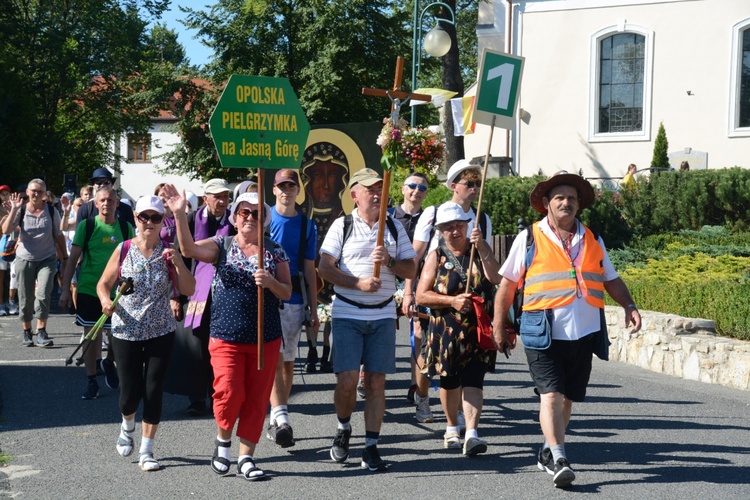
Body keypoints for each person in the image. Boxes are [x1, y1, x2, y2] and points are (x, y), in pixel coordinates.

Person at [492, 171, 642, 489]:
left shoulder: (592, 238)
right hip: (541, 331)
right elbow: (507, 284)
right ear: (547, 204)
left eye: (572, 198)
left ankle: (549, 448)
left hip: (583, 332)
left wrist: (629, 305)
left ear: (578, 206)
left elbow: (610, 278)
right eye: (559, 197)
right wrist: (498, 325)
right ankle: (559, 457)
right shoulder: (530, 238)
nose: (566, 202)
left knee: (568, 400)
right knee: (551, 394)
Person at [165, 185, 292, 481]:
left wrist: (271, 282)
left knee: (257, 399)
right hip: (226, 336)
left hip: (265, 338)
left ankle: (246, 457)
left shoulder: (275, 251)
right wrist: (179, 215)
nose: (250, 217)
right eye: (244, 212)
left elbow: (287, 292)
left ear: (265, 220)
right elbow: (188, 250)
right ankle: (223, 442)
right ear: (234, 218)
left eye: (257, 213)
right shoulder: (222, 245)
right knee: (228, 392)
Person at [318, 168, 417, 472]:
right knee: (347, 382)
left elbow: (411, 269)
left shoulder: (394, 228)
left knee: (376, 383)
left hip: (383, 315)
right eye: (369, 189)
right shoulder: (342, 225)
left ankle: (371, 446)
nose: (376, 194)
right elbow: (324, 268)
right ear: (354, 195)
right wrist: (357, 283)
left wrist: (388, 260)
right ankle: (343, 427)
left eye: (380, 189)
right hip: (347, 312)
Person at [97, 195, 194, 472]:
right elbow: (104, 284)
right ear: (136, 219)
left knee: (153, 391)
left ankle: (147, 451)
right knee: (130, 393)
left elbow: (188, 288)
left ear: (162, 221)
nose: (149, 223)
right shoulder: (124, 248)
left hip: (160, 331)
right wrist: (105, 300)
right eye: (144, 217)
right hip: (126, 330)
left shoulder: (169, 251)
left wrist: (178, 263)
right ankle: (127, 425)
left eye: (155, 217)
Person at [408, 159, 498, 425]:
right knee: (428, 352)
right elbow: (416, 256)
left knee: (464, 358)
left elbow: (485, 259)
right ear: (454, 186)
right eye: (469, 183)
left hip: (468, 299)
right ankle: (422, 395)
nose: (474, 188)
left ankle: (457, 413)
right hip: (437, 291)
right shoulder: (433, 213)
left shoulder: (482, 218)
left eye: (477, 184)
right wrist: (410, 292)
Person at [416, 203, 501, 455]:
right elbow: (422, 295)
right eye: (449, 228)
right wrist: (451, 301)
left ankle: (472, 433)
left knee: (475, 380)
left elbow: (496, 278)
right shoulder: (436, 256)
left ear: (467, 226)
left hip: (477, 329)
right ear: (441, 231)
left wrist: (482, 245)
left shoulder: (480, 249)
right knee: (449, 380)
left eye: (459, 226)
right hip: (446, 329)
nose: (455, 231)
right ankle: (452, 426)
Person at [168, 178, 236, 416]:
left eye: (225, 196)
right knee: (196, 345)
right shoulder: (190, 219)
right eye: (217, 196)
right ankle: (196, 397)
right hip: (195, 292)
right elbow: (177, 259)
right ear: (205, 197)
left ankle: (218, 395)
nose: (222, 201)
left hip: (226, 293)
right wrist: (174, 295)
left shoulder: (235, 220)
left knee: (221, 345)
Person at [60, 187, 134, 399]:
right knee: (91, 336)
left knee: (116, 336)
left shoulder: (125, 227)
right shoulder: (88, 225)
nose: (106, 204)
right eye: (102, 200)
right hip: (89, 289)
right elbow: (73, 259)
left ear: (117, 204)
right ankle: (92, 381)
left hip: (118, 292)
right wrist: (65, 289)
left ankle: (109, 361)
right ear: (95, 203)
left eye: (110, 200)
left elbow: (132, 257)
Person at [266, 169, 319, 449]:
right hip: (265, 298)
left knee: (288, 361)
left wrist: (314, 308)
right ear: (274, 190)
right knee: (274, 357)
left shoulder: (308, 226)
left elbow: (310, 271)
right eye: (282, 186)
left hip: (294, 300)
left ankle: (278, 413)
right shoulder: (263, 218)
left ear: (299, 190)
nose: (287, 190)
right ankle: (281, 417)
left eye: (291, 186)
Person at [300, 142, 349, 371]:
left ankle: (327, 352)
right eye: (319, 175)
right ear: (307, 179)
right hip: (307, 273)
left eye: (333, 175)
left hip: (333, 272)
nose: (327, 185)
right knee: (311, 310)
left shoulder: (346, 219)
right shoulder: (299, 216)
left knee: (331, 310)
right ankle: (311, 349)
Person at [1, 179, 68, 347]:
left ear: (45, 194)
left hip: (47, 258)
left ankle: (41, 331)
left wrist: (65, 257)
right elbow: (6, 230)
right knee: (25, 297)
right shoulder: (21, 209)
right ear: (28, 192)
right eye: (33, 191)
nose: (36, 194)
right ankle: (26, 330)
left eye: (40, 191)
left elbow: (58, 234)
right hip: (25, 258)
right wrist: (14, 210)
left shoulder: (51, 211)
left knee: (44, 293)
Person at [390, 173, 431, 417]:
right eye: (413, 186)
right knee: (378, 326)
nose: (417, 191)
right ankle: (365, 372)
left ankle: (415, 384)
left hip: (416, 281)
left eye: (422, 188)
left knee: (417, 333)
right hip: (388, 279)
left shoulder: (429, 218)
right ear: (404, 189)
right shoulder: (390, 216)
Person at [0, 184, 12, 315]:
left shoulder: (17, 207)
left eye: (6, 193)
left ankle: (12, 301)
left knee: (15, 277)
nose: (4, 196)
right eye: (2, 194)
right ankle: (1, 303)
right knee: (1, 277)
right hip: (1, 246)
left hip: (15, 246)